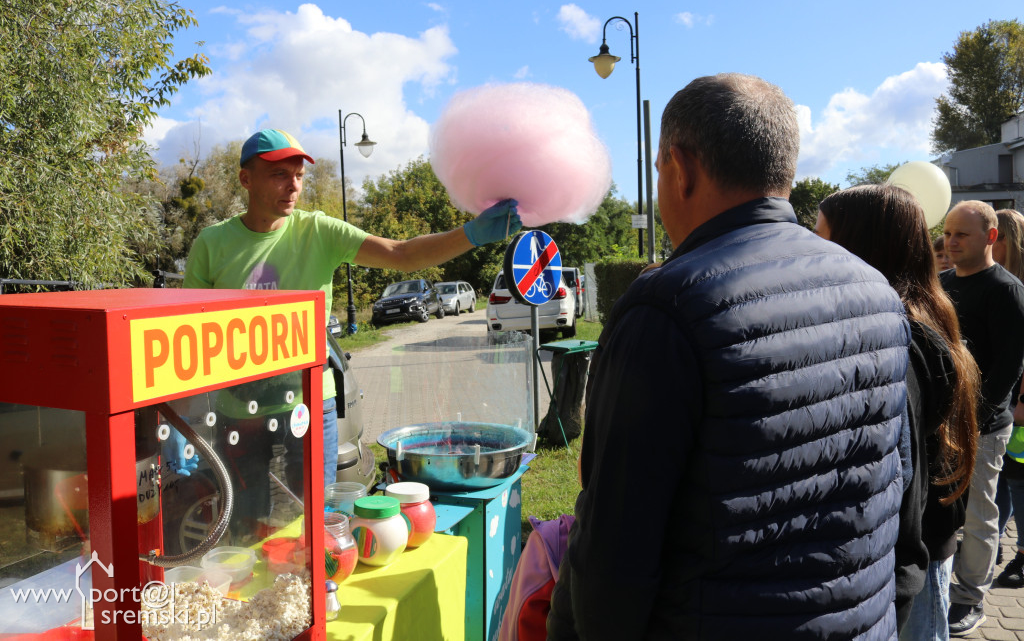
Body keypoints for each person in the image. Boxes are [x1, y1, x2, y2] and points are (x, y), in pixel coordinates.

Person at [546, 74, 910, 640]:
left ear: (680, 168)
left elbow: (615, 547)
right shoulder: (877, 292)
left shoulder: (667, 306)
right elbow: (895, 485)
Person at [183, 129, 521, 510]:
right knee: (245, 519)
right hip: (237, 411)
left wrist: (472, 234)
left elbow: (400, 254)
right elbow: (185, 329)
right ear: (246, 179)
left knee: (312, 520)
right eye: (279, 175)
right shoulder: (211, 245)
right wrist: (186, 414)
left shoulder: (319, 230)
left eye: (298, 175)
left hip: (310, 404)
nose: (292, 186)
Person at [817, 184, 980, 639]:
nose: (812, 251)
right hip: (918, 545)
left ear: (859, 247)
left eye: (823, 239)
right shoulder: (920, 315)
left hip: (911, 554)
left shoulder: (900, 337)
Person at [940, 201, 1024, 636]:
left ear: (991, 237)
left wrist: (975, 419)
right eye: (948, 233)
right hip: (940, 423)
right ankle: (940, 585)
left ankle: (971, 598)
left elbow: (1008, 367)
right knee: (941, 509)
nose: (951, 242)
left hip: (982, 429)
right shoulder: (941, 283)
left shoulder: (1005, 289)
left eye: (962, 235)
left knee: (977, 514)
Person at [992, 208, 1024, 589]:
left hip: (1018, 402)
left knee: (1017, 479)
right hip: (1004, 398)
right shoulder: (995, 280)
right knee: (1002, 479)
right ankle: (994, 540)